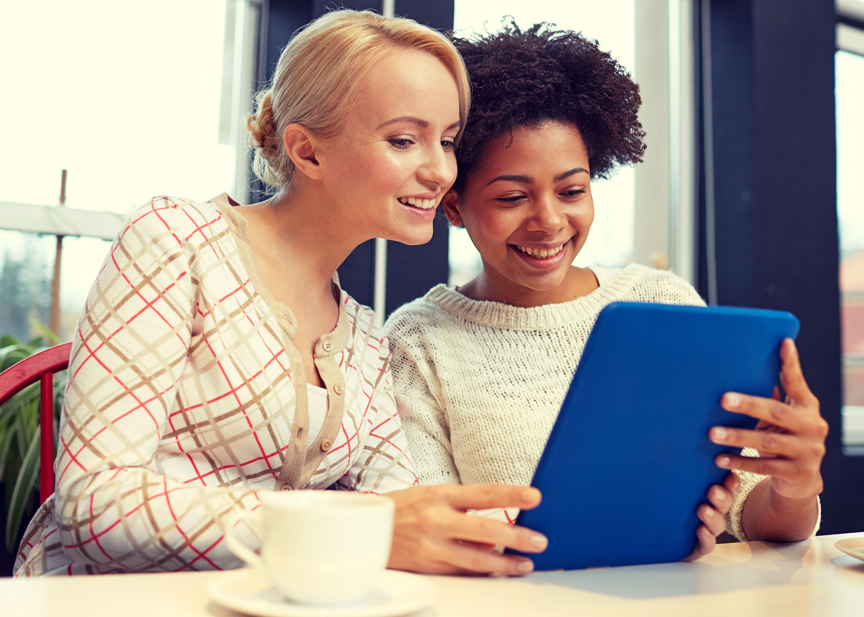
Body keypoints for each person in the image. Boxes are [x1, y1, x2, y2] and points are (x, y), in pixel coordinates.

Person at [14, 10, 547, 577]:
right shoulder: (176, 242)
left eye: (446, 140)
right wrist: (347, 527)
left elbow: (400, 503)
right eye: (403, 140)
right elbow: (93, 503)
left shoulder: (365, 336)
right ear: (307, 150)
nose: (441, 170)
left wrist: (502, 527)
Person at [383, 21, 826, 559]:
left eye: (572, 189)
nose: (549, 221)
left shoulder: (662, 304)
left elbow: (759, 519)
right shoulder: (418, 340)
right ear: (454, 205)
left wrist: (794, 484)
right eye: (510, 198)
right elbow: (430, 531)